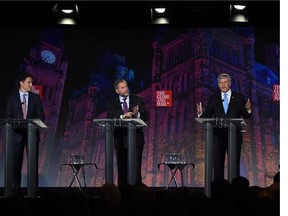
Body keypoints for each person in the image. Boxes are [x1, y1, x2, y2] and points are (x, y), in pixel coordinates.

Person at [197, 73, 252, 180]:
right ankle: (219, 190)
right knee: (217, 165)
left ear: (230, 83)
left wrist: (249, 109)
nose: (223, 85)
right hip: (218, 136)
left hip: (234, 136)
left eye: (225, 82)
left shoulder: (240, 97)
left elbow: (246, 115)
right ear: (218, 84)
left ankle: (234, 189)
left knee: (234, 165)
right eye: (221, 83)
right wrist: (200, 114)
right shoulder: (213, 98)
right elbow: (208, 116)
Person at [6, 72, 45, 196]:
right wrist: (16, 123)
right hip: (17, 136)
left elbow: (41, 116)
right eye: (29, 82)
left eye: (32, 82)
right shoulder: (12, 98)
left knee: (33, 164)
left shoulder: (35, 98)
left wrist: (33, 124)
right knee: (15, 164)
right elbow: (8, 117)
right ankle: (14, 191)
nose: (31, 84)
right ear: (21, 83)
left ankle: (33, 191)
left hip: (32, 135)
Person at [106, 79, 149, 190]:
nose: (126, 89)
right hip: (120, 140)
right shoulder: (111, 103)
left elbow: (146, 116)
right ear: (117, 91)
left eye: (126, 86)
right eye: (122, 87)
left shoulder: (138, 99)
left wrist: (137, 114)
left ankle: (137, 194)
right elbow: (109, 119)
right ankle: (122, 193)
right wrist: (122, 117)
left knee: (136, 167)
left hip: (136, 140)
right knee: (122, 167)